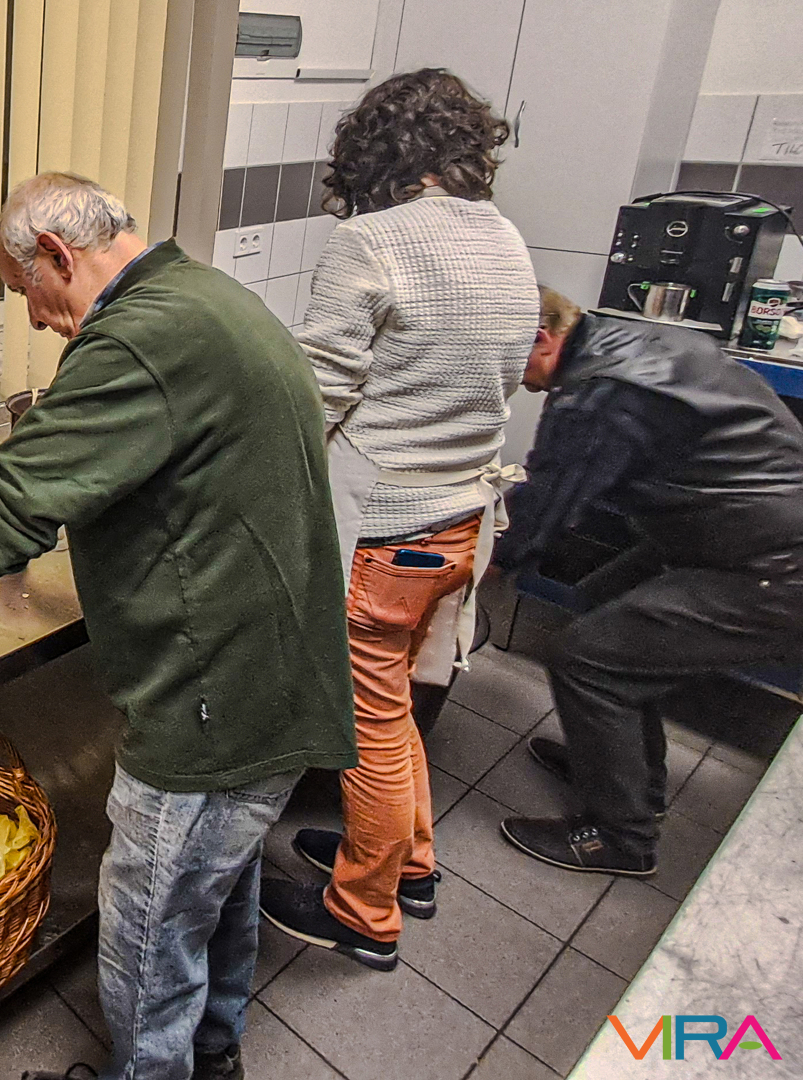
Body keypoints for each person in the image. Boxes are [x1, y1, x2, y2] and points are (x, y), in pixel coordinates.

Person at [0, 172, 357, 1080]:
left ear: (58, 256)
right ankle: (213, 1053)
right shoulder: (201, 295)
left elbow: (17, 498)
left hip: (215, 698)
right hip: (275, 671)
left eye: (25, 292)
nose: (32, 318)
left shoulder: (138, 337)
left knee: (151, 918)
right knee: (219, 885)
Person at [256, 68, 538, 970]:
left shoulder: (371, 241)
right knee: (399, 707)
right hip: (465, 524)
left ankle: (362, 912)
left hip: (387, 534)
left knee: (368, 725)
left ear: (374, 153)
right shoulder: (504, 237)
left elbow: (319, 394)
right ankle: (408, 865)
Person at [494, 287, 803, 874]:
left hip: (772, 569)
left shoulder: (599, 391)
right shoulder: (629, 339)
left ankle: (622, 838)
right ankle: (625, 776)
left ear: (541, 338)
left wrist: (469, 574)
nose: (506, 378)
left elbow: (543, 509)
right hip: (737, 540)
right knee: (601, 611)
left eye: (504, 360)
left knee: (588, 658)